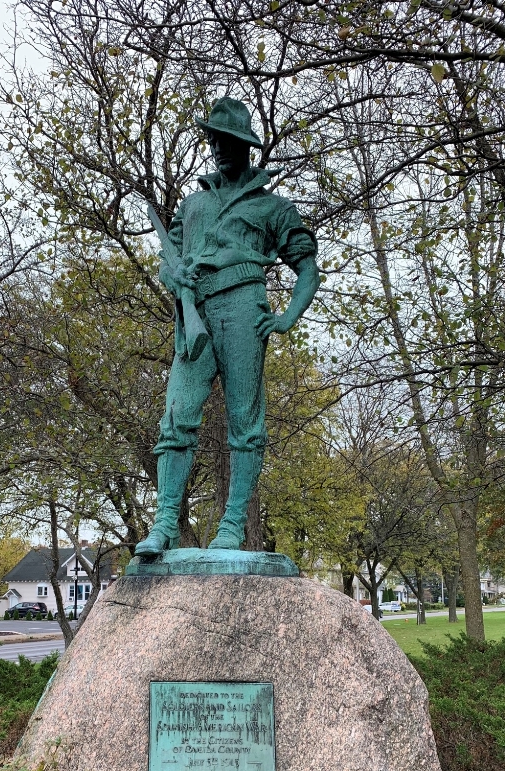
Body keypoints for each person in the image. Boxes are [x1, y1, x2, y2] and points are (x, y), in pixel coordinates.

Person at [135, 96, 320, 555]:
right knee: (176, 416)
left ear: (245, 145)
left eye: (226, 140)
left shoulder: (273, 207)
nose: (217, 148)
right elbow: (168, 259)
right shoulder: (193, 203)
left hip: (243, 308)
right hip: (194, 312)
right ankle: (164, 524)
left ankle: (233, 525)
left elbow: (307, 268)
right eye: (213, 140)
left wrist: (287, 318)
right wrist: (172, 277)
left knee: (245, 422)